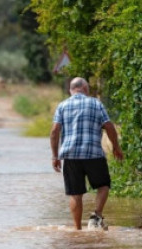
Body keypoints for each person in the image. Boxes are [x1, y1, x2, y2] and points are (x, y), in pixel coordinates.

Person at [50, 77, 123, 230]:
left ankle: (77, 230)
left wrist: (55, 156)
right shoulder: (96, 104)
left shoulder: (62, 106)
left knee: (75, 194)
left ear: (71, 90)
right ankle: (96, 216)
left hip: (70, 156)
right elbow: (109, 126)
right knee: (103, 185)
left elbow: (54, 131)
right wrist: (116, 147)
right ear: (85, 89)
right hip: (93, 154)